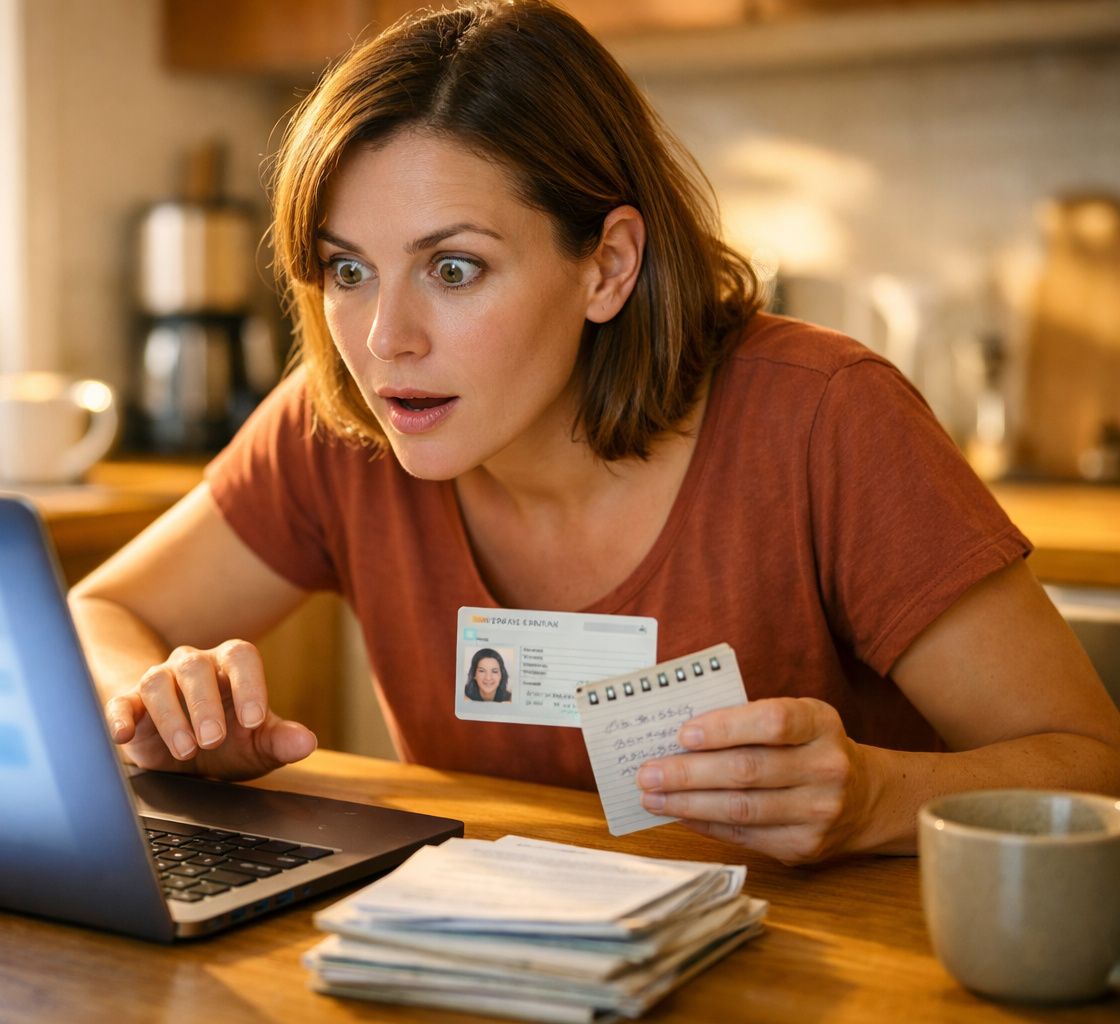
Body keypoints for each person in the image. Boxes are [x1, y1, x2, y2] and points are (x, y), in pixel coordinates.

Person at [71, 0, 1120, 865]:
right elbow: (100, 610)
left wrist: (879, 794)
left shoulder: (824, 417)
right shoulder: (338, 427)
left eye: (454, 268)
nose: (386, 339)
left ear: (608, 265)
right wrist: (159, 707)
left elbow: (1093, 762)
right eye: (350, 269)